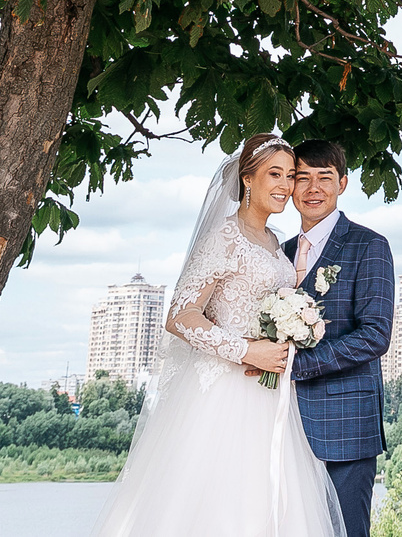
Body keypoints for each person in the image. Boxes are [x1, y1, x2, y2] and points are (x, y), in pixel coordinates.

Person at [90, 134, 345, 537]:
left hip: (269, 393)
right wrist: (246, 351)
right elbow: (179, 315)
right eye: (274, 174)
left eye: (290, 175)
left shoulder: (275, 241)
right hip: (224, 389)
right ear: (247, 179)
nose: (285, 185)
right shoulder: (224, 237)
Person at [265, 140, 393, 537]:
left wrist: (294, 365)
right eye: (302, 178)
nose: (313, 188)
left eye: (324, 178)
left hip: (345, 425)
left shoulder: (369, 245)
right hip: (280, 423)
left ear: (343, 184)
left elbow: (375, 335)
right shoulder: (277, 253)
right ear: (290, 186)